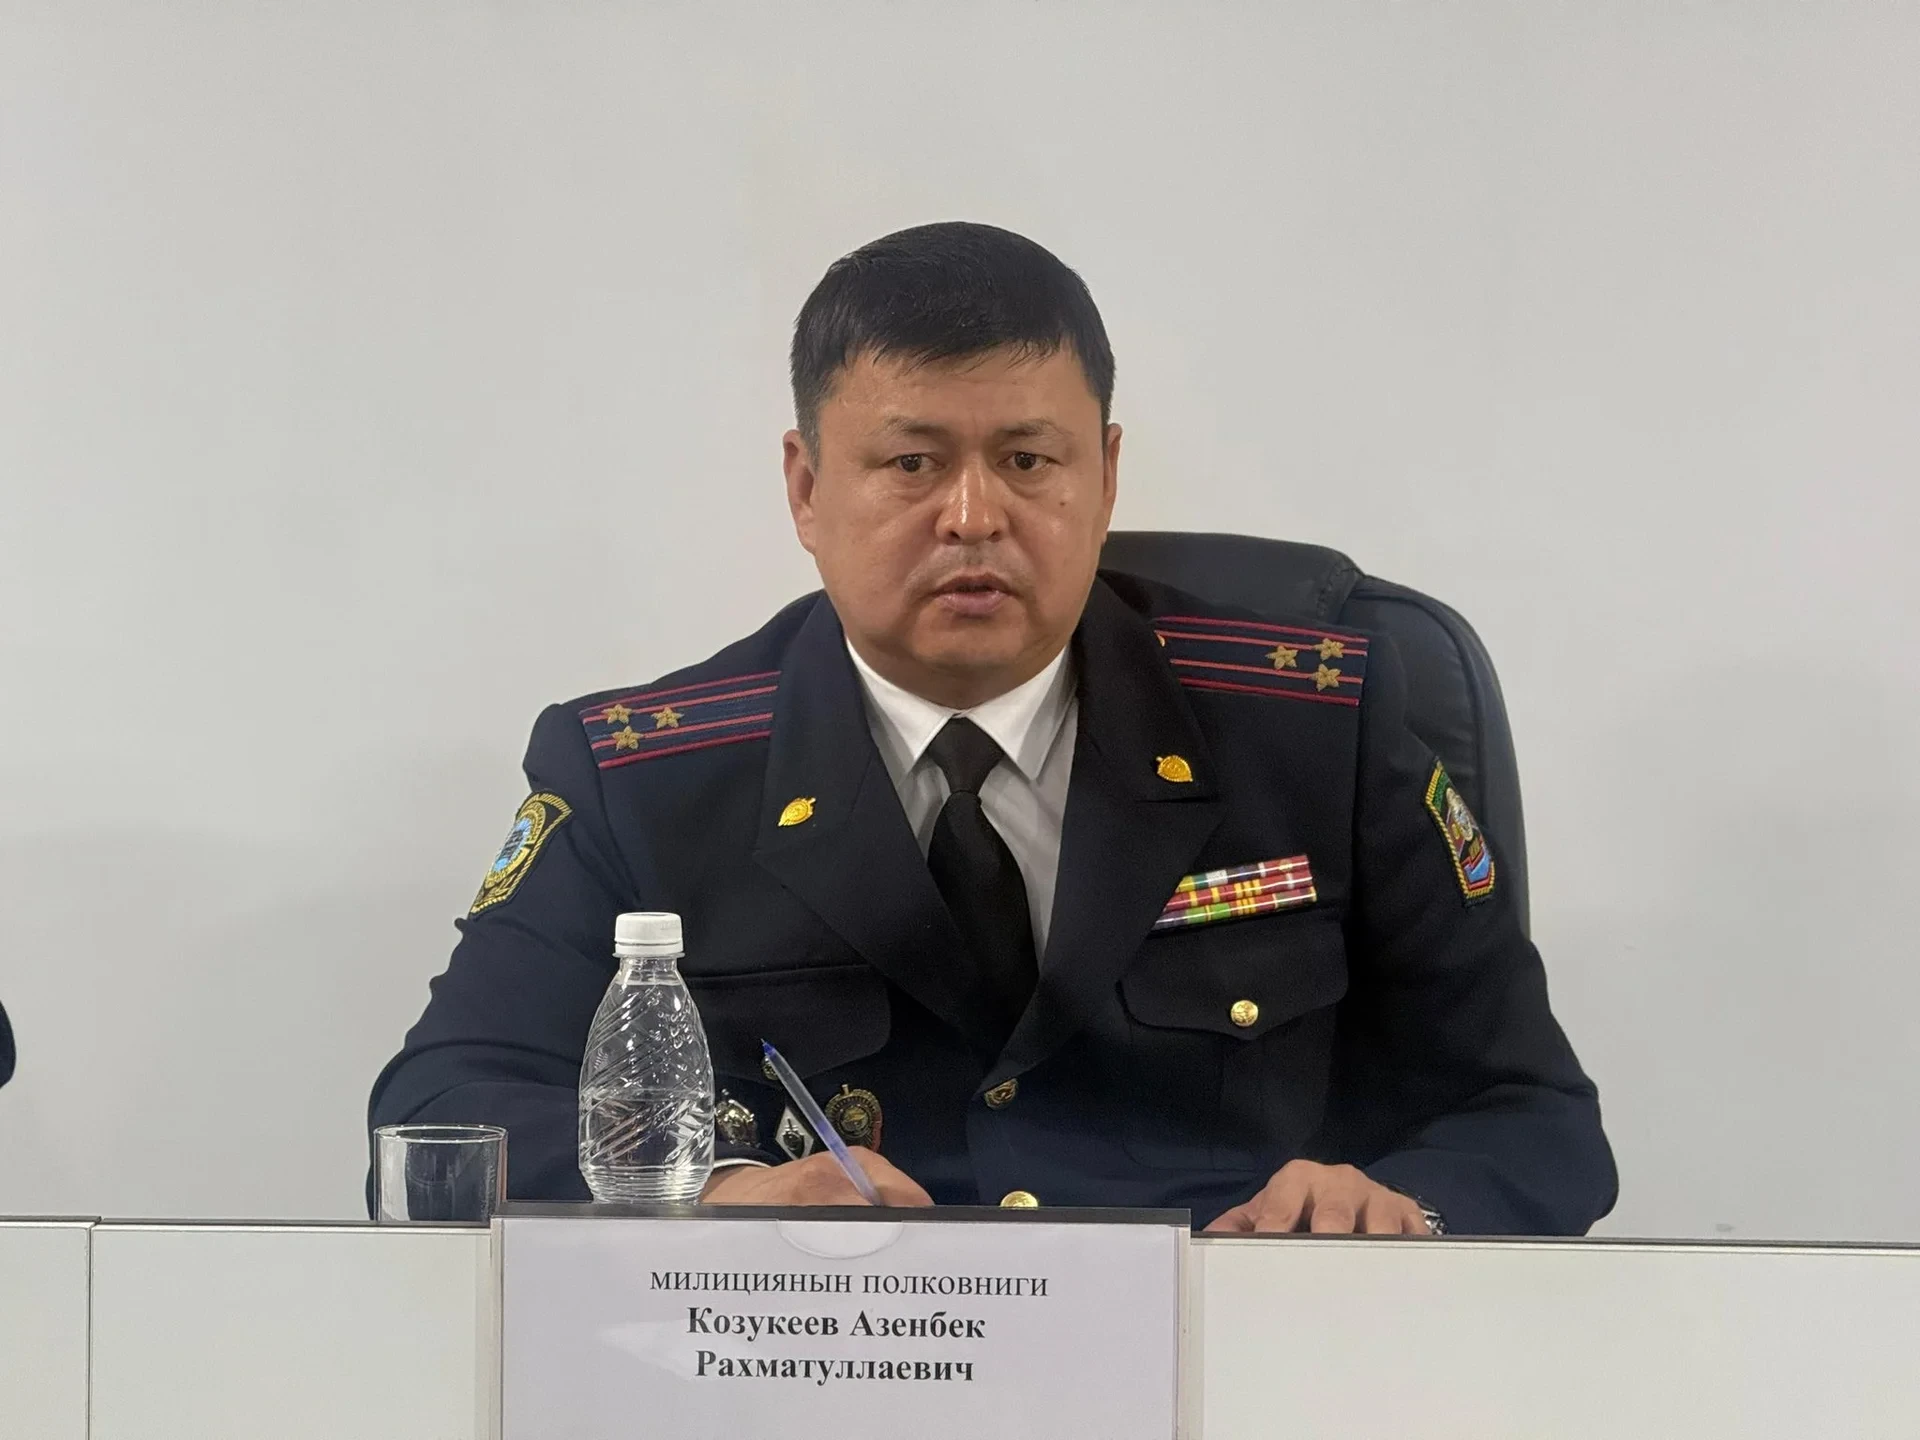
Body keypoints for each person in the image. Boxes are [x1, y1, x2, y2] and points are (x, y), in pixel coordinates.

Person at [368, 222, 1616, 1235]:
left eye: (1028, 461)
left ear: (1106, 476)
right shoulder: (646, 776)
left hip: (1231, 1366)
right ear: (806, 488)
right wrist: (714, 1193)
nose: (974, 517)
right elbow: (435, 1120)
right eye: (912, 465)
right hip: (823, 1369)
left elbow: (1532, 1117)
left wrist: (1400, 1211)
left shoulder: (1320, 729)